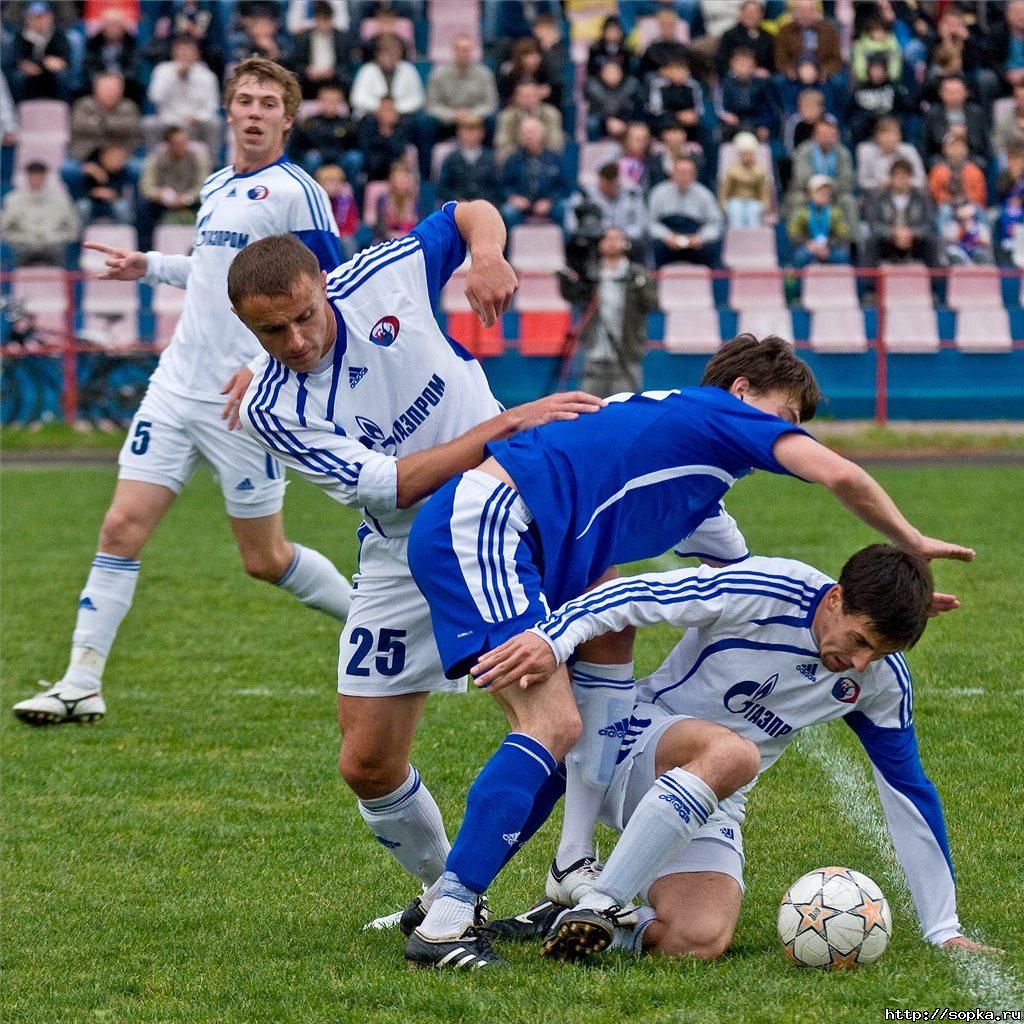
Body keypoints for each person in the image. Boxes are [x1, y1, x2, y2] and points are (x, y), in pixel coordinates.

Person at [402, 334, 973, 969]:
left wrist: (900, 591)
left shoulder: (702, 493)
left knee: (696, 938)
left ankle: (568, 883)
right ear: (743, 393)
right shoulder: (712, 412)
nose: (782, 440)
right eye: (784, 420)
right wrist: (910, 539)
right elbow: (838, 473)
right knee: (557, 721)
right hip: (493, 522)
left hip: (540, 554)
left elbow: (737, 581)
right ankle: (452, 916)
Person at [220, 204, 602, 960]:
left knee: (553, 714)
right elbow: (395, 485)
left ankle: (571, 872)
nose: (295, 342)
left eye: (304, 317)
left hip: (497, 518)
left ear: (323, 286)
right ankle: (448, 889)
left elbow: (467, 212)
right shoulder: (271, 407)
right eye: (272, 334)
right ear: (247, 327)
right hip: (401, 550)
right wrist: (504, 422)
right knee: (365, 762)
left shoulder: (384, 276)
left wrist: (488, 254)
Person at [11, 58, 352, 728]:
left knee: (265, 558)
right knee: (120, 526)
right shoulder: (219, 183)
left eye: (267, 103)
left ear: (288, 117)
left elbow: (328, 290)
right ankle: (82, 681)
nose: (254, 111)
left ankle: (376, 620)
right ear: (228, 112)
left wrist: (267, 368)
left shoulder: (296, 192)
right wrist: (150, 267)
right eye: (244, 100)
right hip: (175, 387)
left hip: (242, 404)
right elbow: (214, 271)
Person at [482, 545, 995, 961]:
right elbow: (635, 593)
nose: (859, 663)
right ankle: (599, 900)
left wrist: (942, 927)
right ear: (836, 598)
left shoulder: (880, 681)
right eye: (859, 640)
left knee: (698, 938)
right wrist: (550, 639)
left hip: (711, 797)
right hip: (637, 743)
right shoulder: (766, 590)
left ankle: (572, 923)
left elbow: (908, 791)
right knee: (738, 754)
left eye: (878, 654)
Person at [556, 226, 658, 396]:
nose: (611, 242)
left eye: (616, 238)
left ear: (626, 243)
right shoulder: (591, 274)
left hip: (627, 352)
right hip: (595, 353)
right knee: (590, 408)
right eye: (606, 238)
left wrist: (639, 286)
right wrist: (565, 279)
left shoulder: (638, 274)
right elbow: (572, 297)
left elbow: (653, 304)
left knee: (625, 408)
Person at [146, 35, 222, 156]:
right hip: (169, 122)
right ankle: (153, 163)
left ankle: (212, 165)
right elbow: (155, 97)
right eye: (181, 50)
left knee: (214, 123)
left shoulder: (207, 76)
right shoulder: (162, 70)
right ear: (173, 52)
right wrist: (174, 76)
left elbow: (212, 106)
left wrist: (198, 117)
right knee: (149, 124)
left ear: (197, 53)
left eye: (189, 50)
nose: (184, 54)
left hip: (196, 124)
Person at [137, 125, 209, 250]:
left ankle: (203, 249)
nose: (182, 146)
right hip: (163, 201)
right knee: (142, 208)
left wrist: (186, 198)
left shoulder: (198, 157)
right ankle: (145, 252)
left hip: (190, 200)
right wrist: (158, 194)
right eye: (177, 143)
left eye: (184, 142)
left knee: (209, 208)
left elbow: (203, 185)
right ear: (168, 144)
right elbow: (146, 186)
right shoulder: (156, 157)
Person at [862, 159, 941, 268]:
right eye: (898, 176)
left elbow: (929, 224)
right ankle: (867, 284)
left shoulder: (922, 198)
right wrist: (893, 233)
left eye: (905, 176)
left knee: (932, 243)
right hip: (888, 241)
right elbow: (873, 224)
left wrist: (912, 233)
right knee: (871, 243)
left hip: (914, 241)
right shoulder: (879, 198)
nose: (901, 180)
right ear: (891, 178)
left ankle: (938, 284)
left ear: (910, 178)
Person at [0, 159, 80, 267]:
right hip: (22, 243)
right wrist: (20, 238)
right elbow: (4, 229)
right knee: (6, 255)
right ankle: (5, 284)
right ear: (27, 177)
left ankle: (70, 283)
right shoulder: (13, 199)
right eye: (32, 175)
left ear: (45, 176)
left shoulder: (61, 199)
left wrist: (56, 237)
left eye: (39, 175)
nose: (35, 179)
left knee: (70, 255)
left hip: (54, 243)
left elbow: (73, 228)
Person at [647, 155, 723, 268]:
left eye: (687, 173)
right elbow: (650, 222)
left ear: (694, 175)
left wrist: (701, 237)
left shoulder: (704, 195)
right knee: (654, 246)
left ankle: (709, 283)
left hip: (695, 238)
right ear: (672, 173)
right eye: (680, 172)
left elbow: (715, 223)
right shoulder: (658, 193)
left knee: (713, 247)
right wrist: (667, 236)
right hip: (668, 238)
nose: (683, 177)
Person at [499, 116, 570, 229]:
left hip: (549, 202)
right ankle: (511, 246)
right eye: (525, 133)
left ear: (542, 134)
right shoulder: (513, 158)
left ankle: (562, 246)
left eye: (533, 132)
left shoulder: (555, 158)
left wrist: (550, 201)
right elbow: (504, 185)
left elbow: (564, 186)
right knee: (508, 212)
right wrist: (514, 198)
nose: (529, 136)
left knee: (564, 209)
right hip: (521, 203)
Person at [425, 34, 499, 140]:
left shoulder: (484, 73)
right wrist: (452, 115)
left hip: (476, 118)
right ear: (454, 51)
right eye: (461, 50)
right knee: (425, 122)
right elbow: (432, 104)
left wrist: (471, 114)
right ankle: (427, 157)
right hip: (447, 121)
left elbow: (490, 103)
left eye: (467, 50)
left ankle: (487, 155)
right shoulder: (438, 73)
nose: (464, 53)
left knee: (493, 120)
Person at [287, 82, 359, 181]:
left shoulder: (347, 124)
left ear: (340, 102)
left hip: (339, 163)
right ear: (319, 101)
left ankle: (350, 190)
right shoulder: (309, 123)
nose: (330, 104)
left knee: (354, 157)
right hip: (315, 163)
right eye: (327, 100)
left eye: (334, 101)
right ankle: (310, 184)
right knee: (312, 157)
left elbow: (353, 145)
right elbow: (296, 148)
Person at [564, 161, 647, 247]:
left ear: (618, 180)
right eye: (606, 185)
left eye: (612, 184)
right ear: (599, 180)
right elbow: (570, 225)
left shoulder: (632, 194)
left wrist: (619, 236)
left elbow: (641, 224)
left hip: (626, 240)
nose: (609, 188)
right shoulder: (583, 195)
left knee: (639, 242)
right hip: (595, 241)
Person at [349, 32, 425, 120]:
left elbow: (418, 99)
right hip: (373, 115)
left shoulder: (408, 69)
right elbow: (357, 98)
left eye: (395, 54)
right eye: (387, 54)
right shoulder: (368, 70)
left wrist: (395, 109)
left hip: (402, 115)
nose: (391, 58)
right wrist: (383, 109)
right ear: (378, 55)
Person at [289, 0, 353, 99]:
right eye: (321, 20)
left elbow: (346, 63)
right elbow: (295, 63)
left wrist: (333, 72)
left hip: (334, 81)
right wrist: (307, 70)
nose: (323, 25)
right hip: (309, 82)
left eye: (326, 20)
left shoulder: (342, 38)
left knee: (345, 80)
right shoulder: (303, 37)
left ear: (332, 19)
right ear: (315, 19)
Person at [787, 175, 851, 267]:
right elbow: (793, 232)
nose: (824, 194)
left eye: (827, 192)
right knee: (799, 256)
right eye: (819, 191)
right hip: (809, 247)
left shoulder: (835, 212)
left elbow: (843, 233)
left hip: (829, 248)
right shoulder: (802, 212)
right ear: (810, 193)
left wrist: (828, 245)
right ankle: (797, 282)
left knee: (842, 255)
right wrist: (809, 243)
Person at [493, 82, 565, 165]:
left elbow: (556, 142)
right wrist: (522, 152)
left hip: (544, 160)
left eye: (531, 95)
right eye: (524, 96)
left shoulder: (551, 114)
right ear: (516, 97)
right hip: (516, 161)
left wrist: (537, 150)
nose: (528, 99)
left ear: (538, 96)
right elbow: (502, 144)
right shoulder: (506, 116)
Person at [436, 116, 501, 207]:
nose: (470, 135)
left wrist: (480, 201)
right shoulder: (451, 158)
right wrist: (459, 201)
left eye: (474, 131)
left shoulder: (490, 158)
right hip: (456, 207)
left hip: (484, 207)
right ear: (459, 133)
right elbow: (443, 187)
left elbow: (496, 187)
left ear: (482, 133)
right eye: (466, 131)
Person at [922, 76, 987, 167]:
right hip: (942, 156)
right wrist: (949, 135)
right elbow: (929, 143)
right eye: (950, 92)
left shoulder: (976, 113)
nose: (954, 96)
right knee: (934, 163)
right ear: (941, 93)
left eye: (957, 92)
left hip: (971, 155)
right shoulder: (933, 114)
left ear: (966, 93)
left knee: (981, 163)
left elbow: (982, 142)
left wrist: (965, 135)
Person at [773, 0, 843, 84]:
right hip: (795, 71)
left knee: (839, 81)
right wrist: (791, 71)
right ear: (795, 13)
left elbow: (836, 58)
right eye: (802, 11)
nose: (805, 15)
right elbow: (780, 58)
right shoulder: (785, 31)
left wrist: (824, 72)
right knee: (778, 81)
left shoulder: (829, 30)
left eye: (810, 11)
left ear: (816, 13)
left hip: (822, 70)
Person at [13, 1, 71, 101]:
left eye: (42, 17)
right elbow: (17, 59)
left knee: (63, 76)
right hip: (30, 76)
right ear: (27, 19)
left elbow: (64, 59)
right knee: (18, 77)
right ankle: (18, 110)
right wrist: (28, 65)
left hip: (51, 75)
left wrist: (58, 63)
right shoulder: (20, 36)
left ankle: (65, 107)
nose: (38, 21)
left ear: (50, 17)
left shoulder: (58, 35)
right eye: (34, 17)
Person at [856, 116, 926, 194]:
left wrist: (902, 182)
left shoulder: (909, 150)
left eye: (893, 134)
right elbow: (862, 182)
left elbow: (921, 180)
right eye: (885, 134)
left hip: (907, 194)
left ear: (900, 136)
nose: (889, 138)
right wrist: (881, 184)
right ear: (876, 137)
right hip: (877, 195)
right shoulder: (865, 151)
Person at [718, 47, 774, 143]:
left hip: (755, 123)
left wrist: (763, 125)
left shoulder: (761, 84)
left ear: (754, 66)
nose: (743, 68)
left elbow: (767, 109)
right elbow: (720, 107)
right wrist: (726, 116)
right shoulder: (726, 84)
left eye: (747, 65)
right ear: (732, 65)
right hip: (734, 124)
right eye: (740, 64)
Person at [718, 131, 771, 228]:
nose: (747, 157)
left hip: (754, 201)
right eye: (744, 154)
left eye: (749, 154)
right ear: (739, 154)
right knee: (735, 212)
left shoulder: (760, 170)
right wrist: (723, 205)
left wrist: (765, 205)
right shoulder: (732, 170)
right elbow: (725, 191)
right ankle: (736, 239)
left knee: (753, 213)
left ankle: (753, 240)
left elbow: (764, 191)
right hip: (736, 200)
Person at [356, 95, 414, 182]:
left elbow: (400, 151)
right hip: (372, 170)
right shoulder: (368, 124)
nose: (388, 114)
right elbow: (365, 150)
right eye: (385, 110)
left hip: (395, 169)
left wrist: (388, 132)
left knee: (410, 153)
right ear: (377, 112)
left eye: (391, 110)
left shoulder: (403, 126)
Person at [77, 143, 135, 225]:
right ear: (103, 157)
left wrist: (112, 194)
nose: (118, 161)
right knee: (82, 206)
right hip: (92, 201)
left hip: (113, 201)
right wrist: (94, 192)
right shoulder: (92, 168)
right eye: (114, 157)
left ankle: (123, 233)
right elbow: (82, 191)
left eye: (120, 158)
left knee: (122, 207)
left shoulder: (124, 172)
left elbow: (123, 191)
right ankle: (81, 235)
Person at [584, 60, 642, 142]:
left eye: (616, 72)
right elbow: (595, 108)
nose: (612, 75)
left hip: (624, 119)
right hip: (601, 120)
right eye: (608, 72)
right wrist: (608, 119)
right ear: (601, 73)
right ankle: (592, 146)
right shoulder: (592, 85)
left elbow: (633, 107)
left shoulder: (631, 84)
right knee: (591, 123)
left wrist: (621, 120)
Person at [928, 132, 986, 210]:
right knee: (945, 211)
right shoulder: (938, 171)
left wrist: (964, 200)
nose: (957, 149)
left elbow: (980, 196)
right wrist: (950, 200)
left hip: (970, 206)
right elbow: (933, 194)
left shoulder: (974, 171)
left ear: (966, 149)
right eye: (953, 146)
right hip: (946, 207)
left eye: (960, 146)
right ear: (944, 149)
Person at [716, 0, 774, 78]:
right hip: (735, 78)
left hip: (761, 79)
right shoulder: (730, 35)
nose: (751, 15)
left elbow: (773, 63)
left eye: (755, 12)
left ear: (762, 15)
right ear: (741, 14)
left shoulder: (768, 37)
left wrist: (766, 71)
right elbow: (721, 62)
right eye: (748, 12)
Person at [315, 163, 360, 259]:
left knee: (348, 242)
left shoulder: (346, 201)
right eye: (328, 181)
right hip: (322, 236)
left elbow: (352, 224)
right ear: (319, 184)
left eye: (337, 181)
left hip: (342, 236)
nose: (333, 185)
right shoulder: (315, 202)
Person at [373, 161, 419, 241]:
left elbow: (420, 225)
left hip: (411, 240)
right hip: (388, 240)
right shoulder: (383, 200)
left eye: (405, 178)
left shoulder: (415, 200)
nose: (402, 182)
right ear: (392, 180)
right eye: (399, 178)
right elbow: (380, 228)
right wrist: (393, 235)